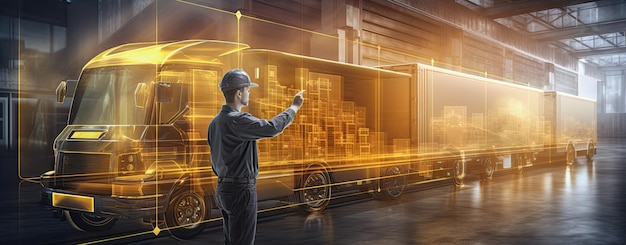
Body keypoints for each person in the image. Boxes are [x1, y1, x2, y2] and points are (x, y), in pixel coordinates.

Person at [207, 68, 304, 245]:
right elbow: (272, 127)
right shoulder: (238, 120)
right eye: (247, 89)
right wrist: (294, 107)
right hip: (241, 190)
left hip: (223, 189)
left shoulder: (214, 123)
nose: (249, 93)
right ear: (238, 92)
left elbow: (214, 158)